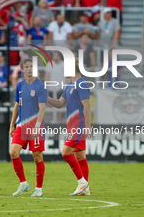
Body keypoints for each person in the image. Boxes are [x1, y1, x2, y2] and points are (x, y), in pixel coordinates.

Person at [47, 57, 91, 196]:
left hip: (78, 125)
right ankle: (85, 189)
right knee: (79, 155)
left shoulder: (81, 84)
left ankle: (82, 182)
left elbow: (87, 106)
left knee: (66, 153)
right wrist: (46, 97)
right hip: (72, 125)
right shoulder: (70, 86)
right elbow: (60, 103)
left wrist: (88, 126)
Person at [9, 58, 47, 197]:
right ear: (23, 69)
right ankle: (23, 183)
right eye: (27, 66)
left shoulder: (40, 86)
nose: (30, 69)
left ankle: (39, 189)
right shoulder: (20, 85)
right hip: (21, 125)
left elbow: (43, 107)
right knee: (13, 152)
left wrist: (37, 125)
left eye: (32, 66)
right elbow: (17, 105)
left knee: (37, 156)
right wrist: (12, 124)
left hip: (35, 125)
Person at [44, 52, 66, 122]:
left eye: (55, 55)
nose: (54, 57)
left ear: (59, 56)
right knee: (51, 104)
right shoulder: (49, 64)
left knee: (60, 104)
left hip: (61, 88)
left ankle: (58, 120)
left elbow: (68, 77)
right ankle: (53, 119)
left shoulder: (65, 64)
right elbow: (46, 77)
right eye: (53, 55)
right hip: (51, 88)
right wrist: (46, 87)